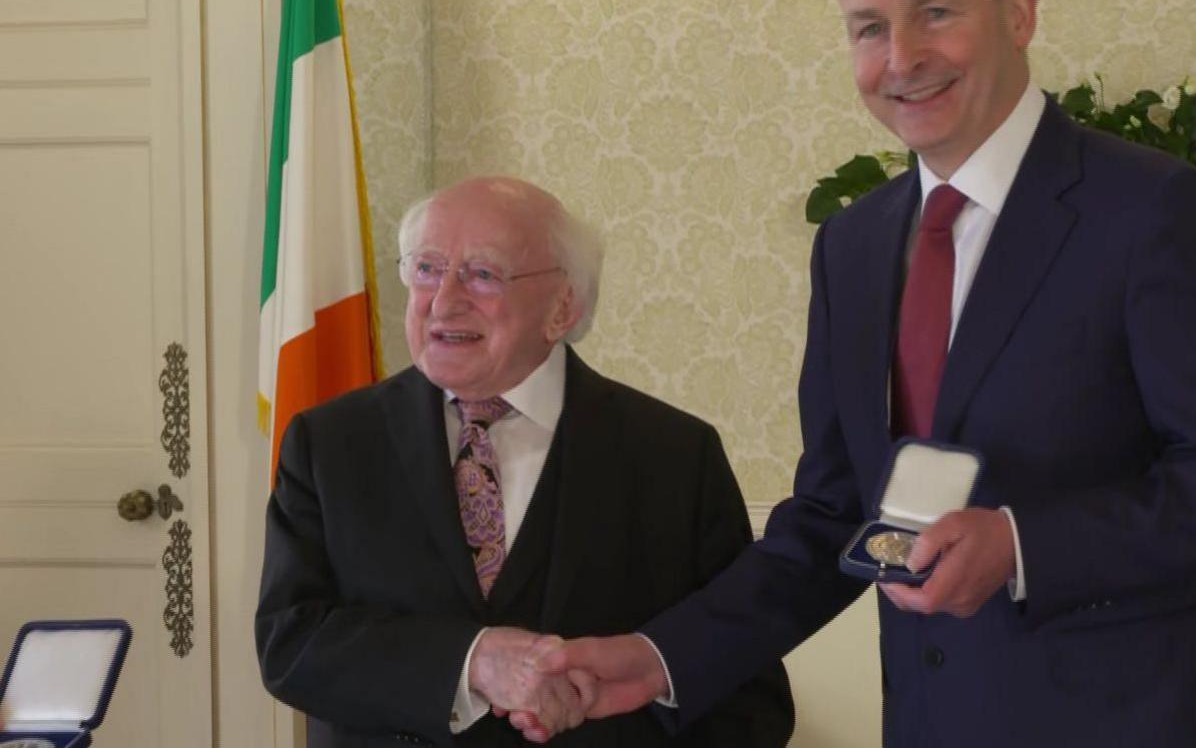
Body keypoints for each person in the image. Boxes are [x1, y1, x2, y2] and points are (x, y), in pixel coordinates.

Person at [544, 0, 1196, 746]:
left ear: (1019, 11)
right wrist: (659, 657)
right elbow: (837, 515)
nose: (901, 57)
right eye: (869, 28)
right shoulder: (852, 245)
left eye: (935, 13)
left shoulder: (1154, 211)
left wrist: (1021, 546)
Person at [255, 177, 793, 747]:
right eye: (427, 269)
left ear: (563, 306)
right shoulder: (330, 442)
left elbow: (746, 691)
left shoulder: (675, 456)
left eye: (483, 274)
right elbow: (290, 644)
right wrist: (471, 663)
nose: (443, 300)